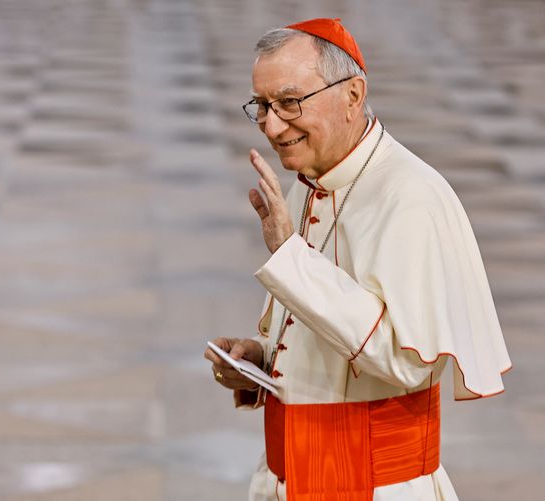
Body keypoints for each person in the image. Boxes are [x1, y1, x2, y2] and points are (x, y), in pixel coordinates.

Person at [204, 17, 511, 501]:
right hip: (291, 477)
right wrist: (260, 361)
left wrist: (290, 258)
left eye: (289, 102)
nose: (272, 124)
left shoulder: (412, 197)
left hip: (375, 486)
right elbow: (329, 338)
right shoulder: (315, 176)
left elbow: (407, 362)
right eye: (261, 106)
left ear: (352, 94)